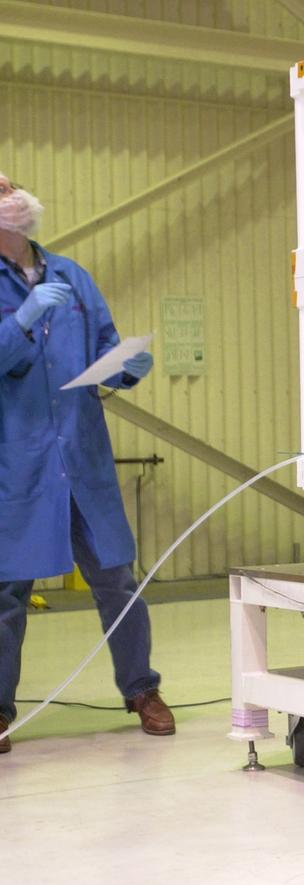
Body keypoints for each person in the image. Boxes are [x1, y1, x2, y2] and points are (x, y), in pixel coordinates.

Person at [0, 173, 173, 753]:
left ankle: (142, 690)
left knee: (117, 579)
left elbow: (105, 342)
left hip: (81, 456)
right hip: (17, 464)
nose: (10, 191)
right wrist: (19, 324)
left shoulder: (73, 276)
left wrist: (126, 364)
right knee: (7, 594)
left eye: (12, 184)